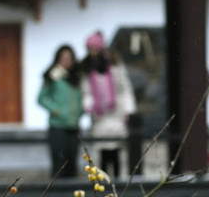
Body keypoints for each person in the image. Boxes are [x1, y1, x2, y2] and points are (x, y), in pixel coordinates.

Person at [81, 31, 136, 178]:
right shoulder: (87, 68)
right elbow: (86, 91)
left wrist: (127, 110)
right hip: (100, 116)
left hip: (116, 114)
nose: (91, 52)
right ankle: (104, 181)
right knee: (103, 151)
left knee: (116, 151)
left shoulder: (115, 65)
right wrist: (90, 105)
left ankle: (117, 183)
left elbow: (124, 88)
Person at [37, 44, 83, 178]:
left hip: (73, 125)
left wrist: (81, 111)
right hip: (57, 126)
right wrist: (56, 110)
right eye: (63, 58)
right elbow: (41, 98)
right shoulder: (53, 77)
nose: (66, 61)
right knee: (58, 162)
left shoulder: (75, 77)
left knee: (72, 162)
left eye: (69, 58)